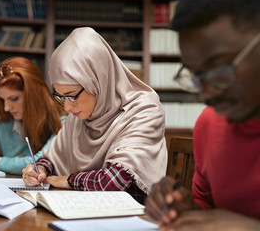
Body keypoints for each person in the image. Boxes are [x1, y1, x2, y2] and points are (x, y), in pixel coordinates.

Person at [145, 0, 260, 230]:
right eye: (196, 76)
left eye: (219, 70)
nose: (207, 93)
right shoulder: (209, 124)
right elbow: (207, 204)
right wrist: (185, 209)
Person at [22, 27, 167, 204]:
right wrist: (40, 169)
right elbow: (54, 157)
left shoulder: (145, 109)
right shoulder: (82, 114)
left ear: (99, 80)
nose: (67, 106)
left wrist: (68, 180)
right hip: (85, 211)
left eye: (72, 94)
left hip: (135, 217)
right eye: (61, 97)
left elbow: (114, 181)